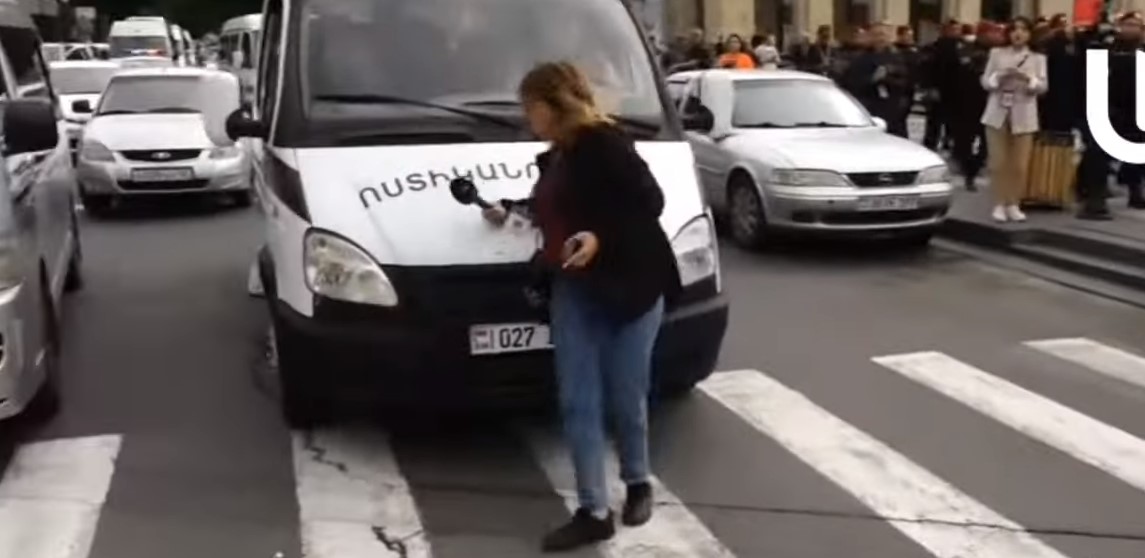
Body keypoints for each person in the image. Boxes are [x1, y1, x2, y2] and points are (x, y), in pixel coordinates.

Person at [482, 61, 681, 553]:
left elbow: (649, 202)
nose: (526, 116)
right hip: (574, 287)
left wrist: (599, 237)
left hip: (631, 287)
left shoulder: (604, 143)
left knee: (627, 394)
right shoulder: (557, 157)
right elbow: (557, 209)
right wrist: (511, 210)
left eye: (530, 107)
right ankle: (593, 511)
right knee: (577, 401)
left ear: (552, 105)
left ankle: (638, 481)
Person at [980, 16, 1048, 223]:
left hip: (1024, 112)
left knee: (1019, 164)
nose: (1018, 34)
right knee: (998, 162)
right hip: (997, 111)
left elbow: (1043, 87)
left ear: (1030, 34)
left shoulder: (1037, 58)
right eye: (1014, 29)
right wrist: (999, 77)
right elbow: (985, 81)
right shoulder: (996, 53)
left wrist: (1027, 79)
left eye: (1023, 30)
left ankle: (1013, 203)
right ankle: (999, 203)